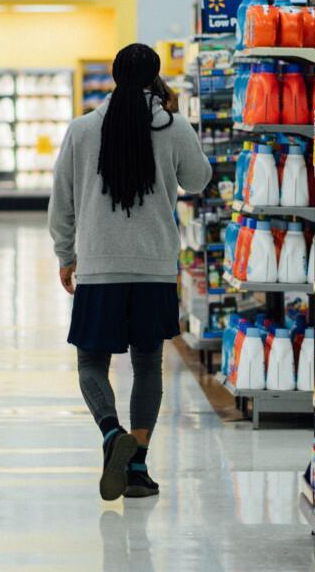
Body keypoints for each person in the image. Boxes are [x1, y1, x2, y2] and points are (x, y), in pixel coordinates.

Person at [48, 43, 212, 501]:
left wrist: (66, 254)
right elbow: (199, 180)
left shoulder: (82, 130)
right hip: (154, 266)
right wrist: (181, 128)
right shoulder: (173, 125)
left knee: (90, 363)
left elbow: (61, 202)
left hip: (99, 265)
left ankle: (109, 433)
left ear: (114, 74)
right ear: (155, 78)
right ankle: (137, 466)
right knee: (147, 363)